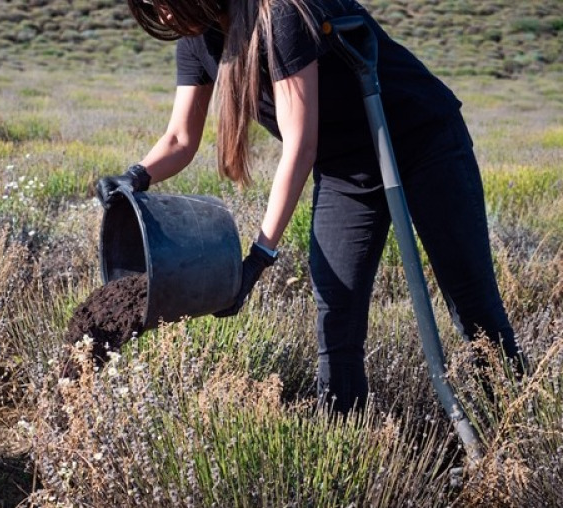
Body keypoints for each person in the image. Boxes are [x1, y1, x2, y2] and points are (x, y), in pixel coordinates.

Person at [95, 0, 525, 414]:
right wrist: (136, 176)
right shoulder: (198, 39)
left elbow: (300, 146)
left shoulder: (282, 14)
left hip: (422, 143)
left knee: (472, 302)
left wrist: (259, 257)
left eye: (163, 1)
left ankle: (517, 427)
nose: (162, 13)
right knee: (337, 309)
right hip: (347, 171)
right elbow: (179, 139)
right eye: (150, 6)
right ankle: (342, 438)